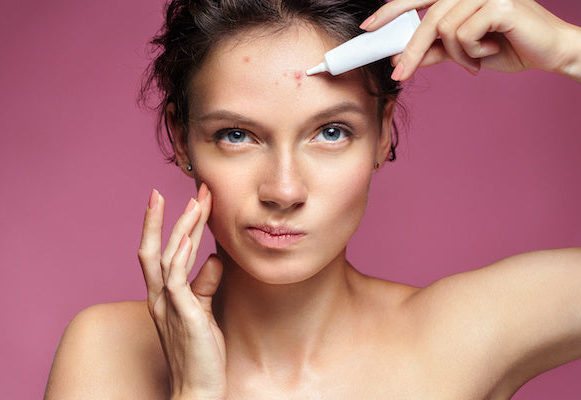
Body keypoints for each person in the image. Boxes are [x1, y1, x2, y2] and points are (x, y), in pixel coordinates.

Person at [44, 0, 581, 398]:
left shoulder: (465, 333)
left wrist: (569, 50)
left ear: (384, 134)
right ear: (182, 138)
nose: (283, 190)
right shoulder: (107, 354)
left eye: (330, 132)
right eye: (236, 135)